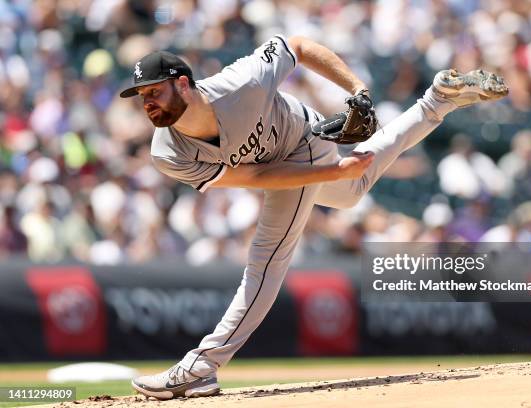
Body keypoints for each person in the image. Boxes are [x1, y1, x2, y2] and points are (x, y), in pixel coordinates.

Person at [119, 35, 508, 399]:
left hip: (303, 138)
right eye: (141, 96)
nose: (147, 102)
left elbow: (297, 46)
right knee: (353, 189)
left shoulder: (240, 83)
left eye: (155, 91)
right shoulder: (167, 153)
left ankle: (202, 366)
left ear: (184, 84)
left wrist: (358, 90)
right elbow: (253, 176)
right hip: (278, 164)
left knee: (266, 260)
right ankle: (436, 101)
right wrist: (333, 174)